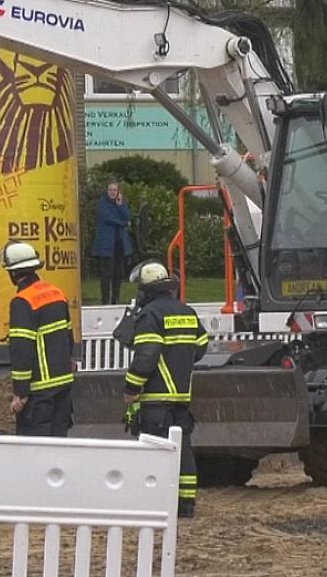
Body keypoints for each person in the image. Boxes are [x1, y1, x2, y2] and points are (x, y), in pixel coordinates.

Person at [119, 260, 207, 518]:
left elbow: (146, 356)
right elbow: (200, 346)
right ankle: (186, 504)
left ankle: (155, 503)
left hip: (156, 399)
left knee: (155, 452)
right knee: (183, 451)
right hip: (181, 397)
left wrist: (131, 389)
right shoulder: (187, 312)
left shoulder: (150, 316)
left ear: (145, 290)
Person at [1, 241, 76, 437]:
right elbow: (68, 336)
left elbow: (21, 349)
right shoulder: (56, 293)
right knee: (59, 448)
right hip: (63, 386)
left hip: (39, 392)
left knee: (34, 453)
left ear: (13, 273)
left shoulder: (22, 301)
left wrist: (21, 392)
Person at [93, 181, 133, 304]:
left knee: (119, 273)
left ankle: (116, 298)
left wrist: (120, 205)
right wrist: (123, 223)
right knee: (106, 273)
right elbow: (108, 218)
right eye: (110, 190)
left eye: (115, 190)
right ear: (107, 191)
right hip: (106, 245)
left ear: (118, 192)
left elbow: (127, 216)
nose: (113, 192)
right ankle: (105, 300)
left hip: (119, 244)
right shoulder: (102, 203)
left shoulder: (120, 202)